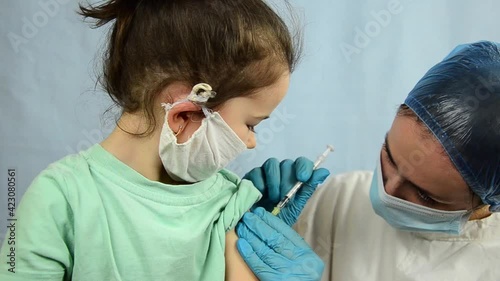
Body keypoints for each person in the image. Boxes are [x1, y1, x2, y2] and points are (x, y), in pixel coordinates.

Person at [0, 0, 330, 280]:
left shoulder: (235, 206)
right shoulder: (60, 199)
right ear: (184, 115)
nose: (250, 143)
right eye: (251, 124)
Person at [237, 41, 500, 280]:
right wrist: (243, 216)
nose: (389, 192)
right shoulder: (341, 199)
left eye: (425, 196)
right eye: (389, 157)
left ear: (488, 202)